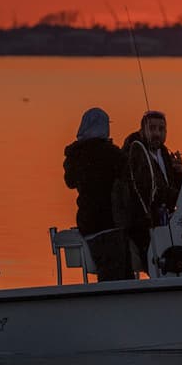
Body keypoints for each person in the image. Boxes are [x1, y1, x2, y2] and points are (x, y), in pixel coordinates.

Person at [114, 109, 182, 278]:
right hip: (142, 221)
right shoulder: (136, 151)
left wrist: (181, 172)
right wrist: (177, 197)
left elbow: (177, 185)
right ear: (142, 130)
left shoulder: (164, 153)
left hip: (164, 219)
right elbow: (150, 188)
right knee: (157, 262)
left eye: (161, 129)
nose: (157, 133)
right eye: (152, 128)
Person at [62, 107, 129, 280]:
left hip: (87, 222)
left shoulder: (75, 155)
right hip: (110, 223)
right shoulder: (112, 154)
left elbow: (69, 182)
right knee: (118, 276)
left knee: (104, 272)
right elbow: (129, 177)